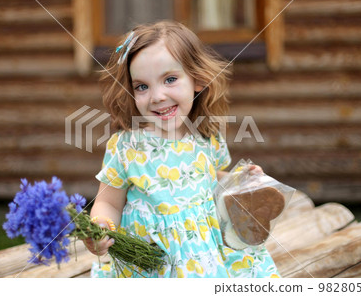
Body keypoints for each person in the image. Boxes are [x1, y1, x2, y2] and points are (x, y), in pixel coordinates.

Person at [85, 20, 280, 278]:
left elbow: (210, 179)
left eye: (170, 79)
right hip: (151, 262)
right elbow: (108, 201)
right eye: (142, 86)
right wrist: (101, 227)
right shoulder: (127, 146)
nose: (156, 96)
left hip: (203, 258)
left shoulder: (206, 136)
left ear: (197, 79)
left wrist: (239, 181)